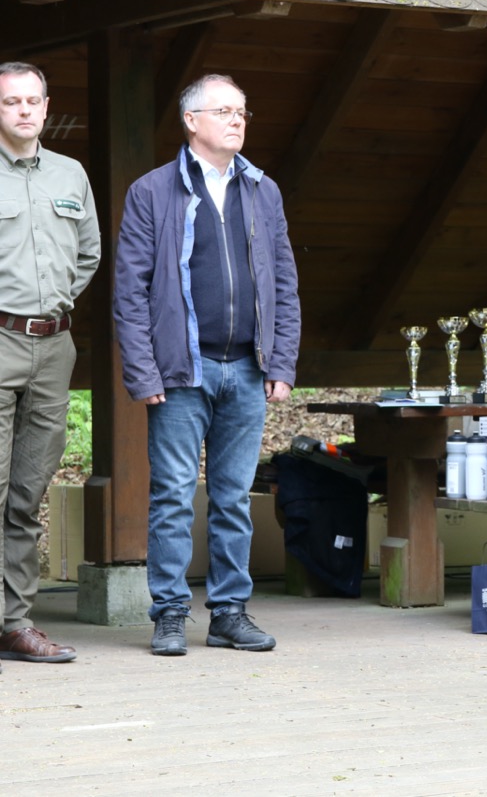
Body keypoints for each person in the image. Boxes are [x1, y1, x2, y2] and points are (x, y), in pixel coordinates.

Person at [115, 74, 301, 656]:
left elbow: (284, 282)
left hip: (247, 367)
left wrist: (282, 362)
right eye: (224, 111)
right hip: (181, 371)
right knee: (172, 496)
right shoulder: (152, 191)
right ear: (191, 121)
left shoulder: (263, 190)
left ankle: (228, 614)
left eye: (242, 111)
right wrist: (143, 371)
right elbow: (130, 290)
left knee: (234, 498)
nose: (237, 119)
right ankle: (170, 614)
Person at [0, 62, 100, 668]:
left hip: (53, 348)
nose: (24, 110)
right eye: (11, 101)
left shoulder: (71, 174)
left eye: (32, 101)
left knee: (26, 493)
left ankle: (13, 623)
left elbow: (87, 255)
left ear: (45, 105)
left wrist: (50, 306)